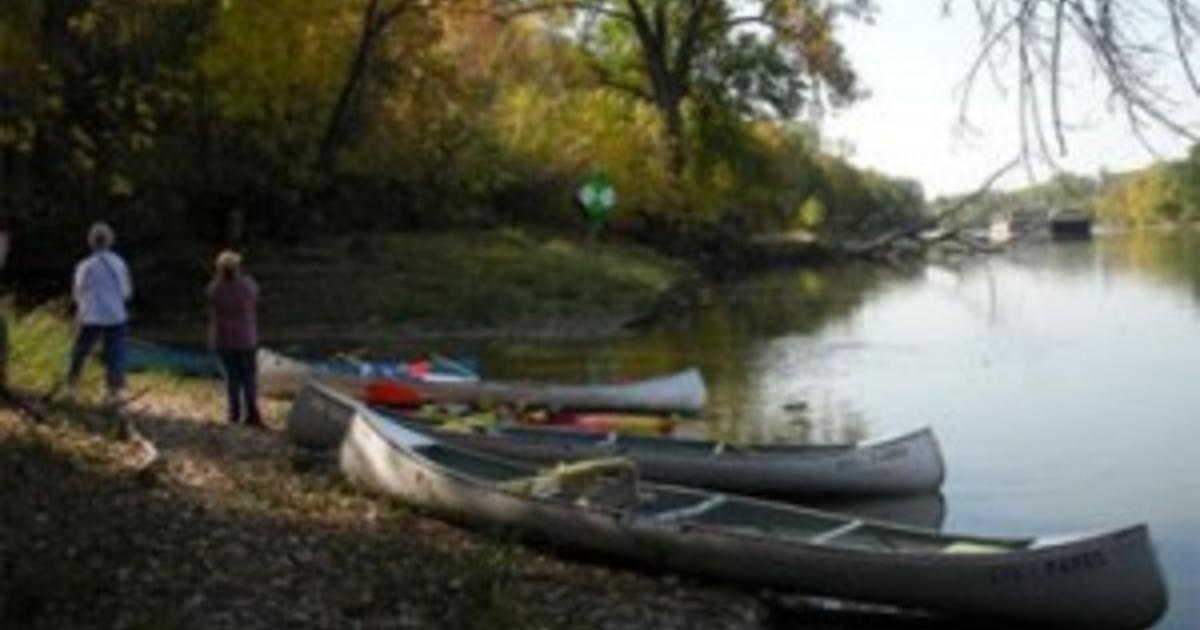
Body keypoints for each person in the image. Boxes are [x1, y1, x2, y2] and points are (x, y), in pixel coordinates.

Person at [66, 221, 133, 403]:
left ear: (91, 242)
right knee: (116, 354)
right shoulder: (119, 263)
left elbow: (78, 291)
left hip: (90, 314)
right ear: (110, 241)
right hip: (115, 315)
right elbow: (126, 292)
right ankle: (114, 391)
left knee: (80, 351)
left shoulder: (85, 265)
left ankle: (71, 386)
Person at [207, 249, 263, 427]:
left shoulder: (214, 288)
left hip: (224, 339)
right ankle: (252, 415)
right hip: (246, 338)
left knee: (232, 379)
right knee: (249, 378)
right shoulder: (248, 285)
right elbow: (255, 299)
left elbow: (213, 309)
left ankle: (234, 415)